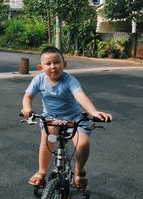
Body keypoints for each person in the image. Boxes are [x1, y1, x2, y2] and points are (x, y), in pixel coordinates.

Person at [21, 46, 112, 190]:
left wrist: (93, 112)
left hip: (73, 118)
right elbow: (28, 96)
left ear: (64, 64)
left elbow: (80, 95)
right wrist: (27, 108)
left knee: (83, 143)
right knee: (48, 139)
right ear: (41, 67)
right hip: (52, 118)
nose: (53, 67)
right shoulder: (39, 79)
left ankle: (79, 172)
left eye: (57, 62)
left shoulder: (70, 80)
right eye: (48, 63)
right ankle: (42, 171)